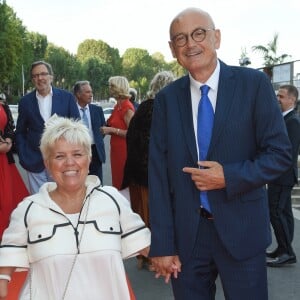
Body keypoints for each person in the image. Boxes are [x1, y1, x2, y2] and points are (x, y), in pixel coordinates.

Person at [148, 7, 292, 299]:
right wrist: (162, 244)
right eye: (180, 38)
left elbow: (280, 154)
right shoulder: (165, 100)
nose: (190, 43)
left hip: (242, 232)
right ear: (172, 49)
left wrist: (229, 176)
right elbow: (158, 175)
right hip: (188, 238)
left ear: (217, 37)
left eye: (199, 33)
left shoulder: (254, 85)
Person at [0, 115, 150, 300]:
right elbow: (10, 249)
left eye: (77, 154)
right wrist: (3, 280)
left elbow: (145, 242)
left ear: (89, 158)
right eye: (59, 156)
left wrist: (168, 259)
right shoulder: (28, 209)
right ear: (47, 163)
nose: (70, 162)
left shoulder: (112, 200)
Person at [122, 71, 175, 270]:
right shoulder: (158, 108)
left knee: (144, 216)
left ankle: (145, 258)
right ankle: (153, 258)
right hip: (149, 175)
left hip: (139, 173)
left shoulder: (145, 107)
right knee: (153, 217)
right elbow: (154, 145)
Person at [15, 60, 80, 195]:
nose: (40, 78)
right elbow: (20, 131)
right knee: (40, 200)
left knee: (63, 196)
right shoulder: (25, 102)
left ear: (51, 76)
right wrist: (23, 154)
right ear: (32, 79)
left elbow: (77, 127)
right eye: (35, 75)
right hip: (33, 160)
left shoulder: (67, 98)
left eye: (43, 74)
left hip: (61, 159)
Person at [266, 84, 300, 267]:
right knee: (284, 213)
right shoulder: (285, 119)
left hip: (282, 177)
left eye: (281, 96)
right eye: (277, 95)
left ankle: (288, 251)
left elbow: (288, 153)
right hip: (279, 176)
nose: (277, 98)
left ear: (291, 100)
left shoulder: (293, 121)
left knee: (275, 212)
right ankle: (283, 248)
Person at [0, 93, 29, 238]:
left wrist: (8, 141)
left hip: (4, 160)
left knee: (9, 203)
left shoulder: (3, 104)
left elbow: (10, 127)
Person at [100, 76, 135, 190]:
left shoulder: (127, 107)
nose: (109, 89)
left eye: (111, 86)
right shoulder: (117, 106)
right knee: (117, 181)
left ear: (118, 88)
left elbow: (133, 133)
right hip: (116, 150)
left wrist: (111, 130)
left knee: (123, 182)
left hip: (124, 151)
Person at [73, 81, 106, 183]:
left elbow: (102, 130)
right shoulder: (71, 110)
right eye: (87, 92)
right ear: (78, 94)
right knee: (80, 181)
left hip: (95, 151)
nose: (91, 95)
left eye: (91, 92)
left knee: (97, 181)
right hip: (77, 151)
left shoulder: (97, 110)